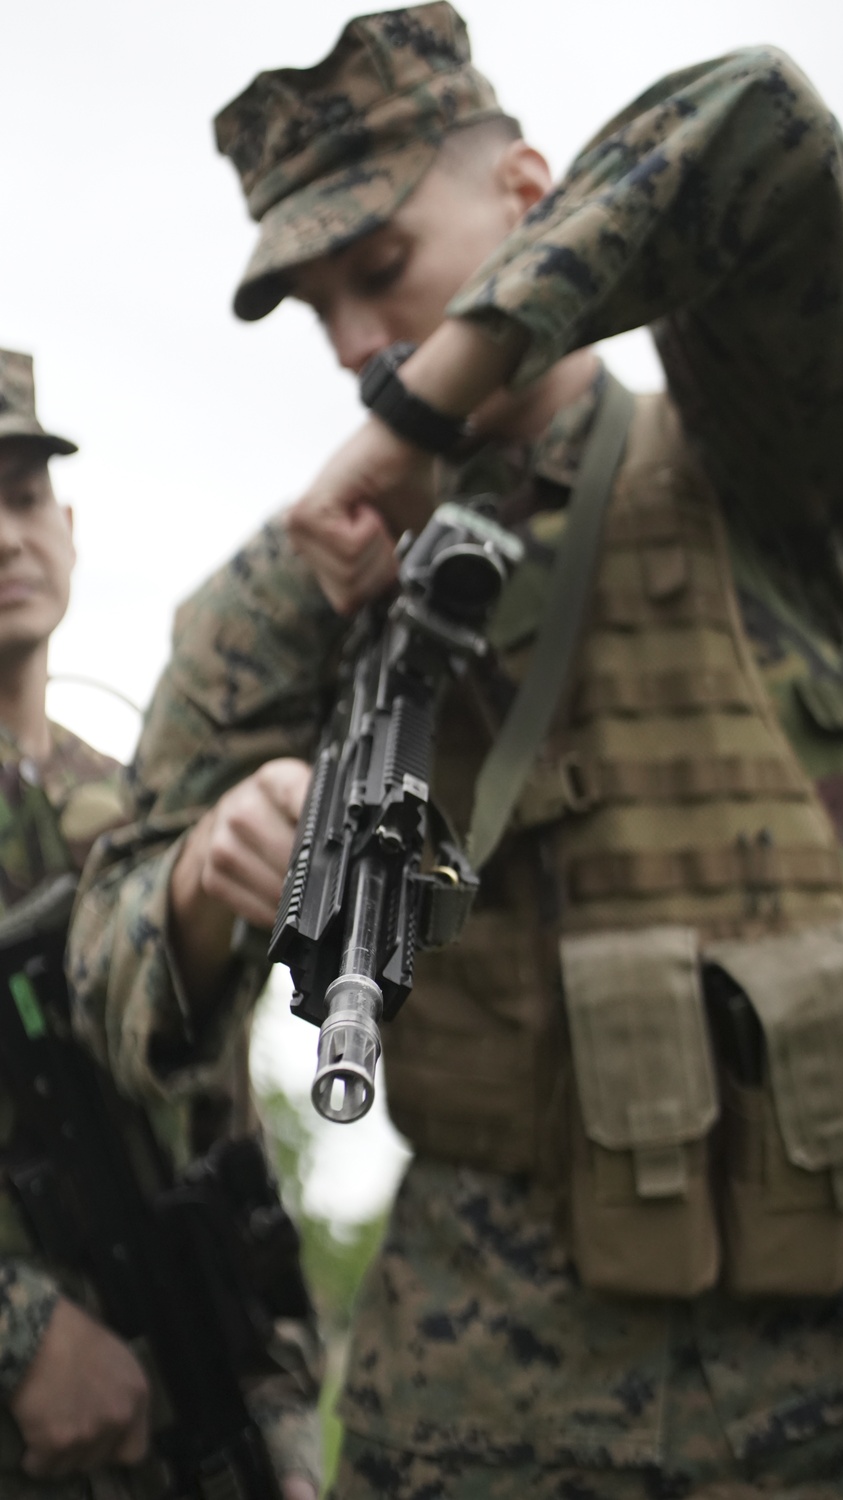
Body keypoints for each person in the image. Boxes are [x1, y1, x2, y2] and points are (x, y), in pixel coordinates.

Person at [70, 6, 843, 1496]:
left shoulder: (750, 461)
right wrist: (196, 886)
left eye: (381, 272)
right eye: (319, 314)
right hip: (495, 1413)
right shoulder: (289, 593)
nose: (360, 344)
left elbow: (763, 123)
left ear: (530, 197)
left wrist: (419, 405)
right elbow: (108, 960)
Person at [0, 349, 321, 1500]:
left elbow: (224, 1133)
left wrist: (279, 1403)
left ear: (70, 525)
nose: (5, 538)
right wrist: (19, 1328)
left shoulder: (139, 814)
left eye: (24, 496)